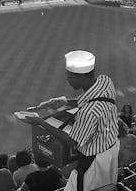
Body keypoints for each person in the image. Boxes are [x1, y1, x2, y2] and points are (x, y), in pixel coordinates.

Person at [36, 51, 119, 191]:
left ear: (80, 77)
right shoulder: (105, 81)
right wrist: (64, 102)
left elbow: (71, 140)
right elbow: (94, 98)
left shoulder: (89, 112)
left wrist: (40, 122)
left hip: (95, 163)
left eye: (70, 76)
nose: (67, 80)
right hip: (110, 150)